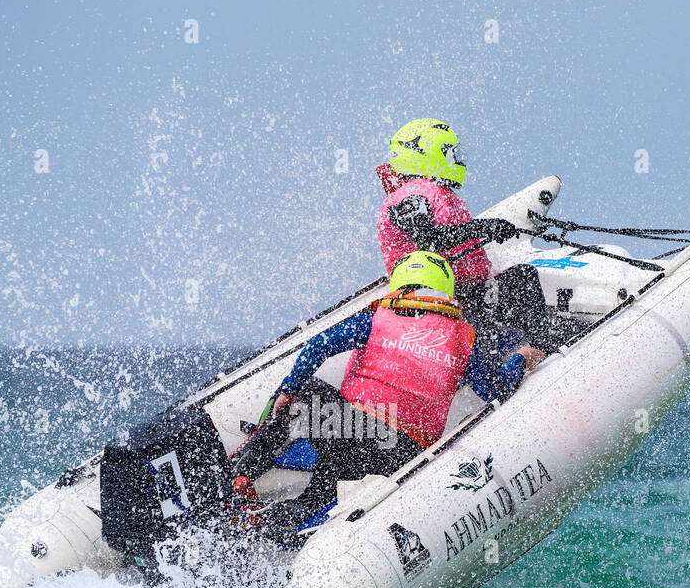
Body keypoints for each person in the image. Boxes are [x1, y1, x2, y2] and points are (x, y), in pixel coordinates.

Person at [232, 251, 545, 529]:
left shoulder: (378, 317)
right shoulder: (465, 336)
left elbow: (319, 346)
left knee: (308, 399)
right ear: (444, 288)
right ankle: (294, 514)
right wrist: (520, 358)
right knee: (333, 469)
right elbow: (495, 390)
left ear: (401, 284)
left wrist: (288, 390)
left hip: (351, 431)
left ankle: (243, 472)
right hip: (403, 453)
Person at [376, 117, 547, 355]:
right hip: (436, 298)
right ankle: (543, 351)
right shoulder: (409, 195)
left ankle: (532, 349)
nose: (456, 160)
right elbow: (429, 239)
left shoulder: (436, 192)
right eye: (449, 153)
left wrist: (487, 230)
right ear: (426, 154)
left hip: (470, 291)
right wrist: (484, 228)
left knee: (521, 279)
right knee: (522, 281)